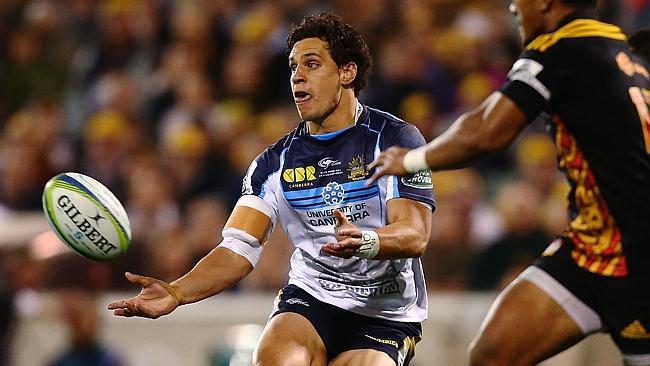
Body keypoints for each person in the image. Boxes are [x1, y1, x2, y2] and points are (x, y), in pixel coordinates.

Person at [108, 13, 435, 366]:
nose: (298, 76)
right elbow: (238, 249)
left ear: (347, 73)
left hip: (385, 313)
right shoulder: (274, 163)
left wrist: (368, 241)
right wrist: (177, 291)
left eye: (312, 64)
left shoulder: (396, 140)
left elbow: (416, 235)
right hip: (312, 300)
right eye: (294, 66)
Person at [368, 0, 650, 365]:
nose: (513, 7)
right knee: (492, 355)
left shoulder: (561, 47)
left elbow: (487, 130)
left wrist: (410, 159)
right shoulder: (625, 55)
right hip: (591, 249)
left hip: (638, 258)